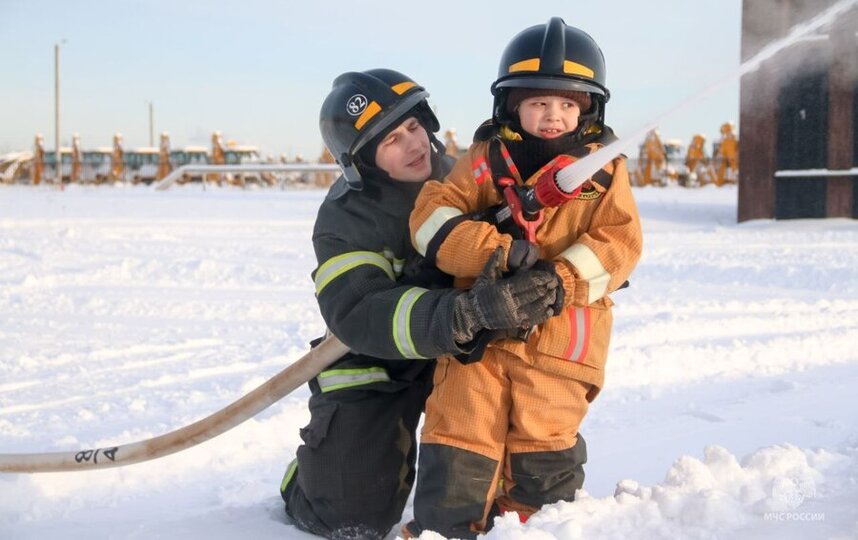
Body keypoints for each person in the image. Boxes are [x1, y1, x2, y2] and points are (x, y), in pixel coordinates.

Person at [278, 68, 562, 540]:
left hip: (465, 350)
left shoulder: (467, 178)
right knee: (351, 518)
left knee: (508, 457)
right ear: (362, 161)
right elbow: (359, 310)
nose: (413, 144)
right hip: (380, 360)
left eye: (412, 126)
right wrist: (465, 313)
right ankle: (308, 480)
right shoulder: (344, 219)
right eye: (391, 140)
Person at [406, 18, 643, 538]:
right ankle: (446, 530)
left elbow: (620, 243)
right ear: (511, 105)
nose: (553, 114)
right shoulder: (482, 163)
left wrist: (561, 279)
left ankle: (536, 531)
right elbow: (429, 219)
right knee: (459, 437)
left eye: (567, 103)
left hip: (560, 345)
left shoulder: (604, 171)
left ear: (588, 109)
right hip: (479, 335)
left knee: (544, 451)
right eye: (538, 101)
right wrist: (493, 252)